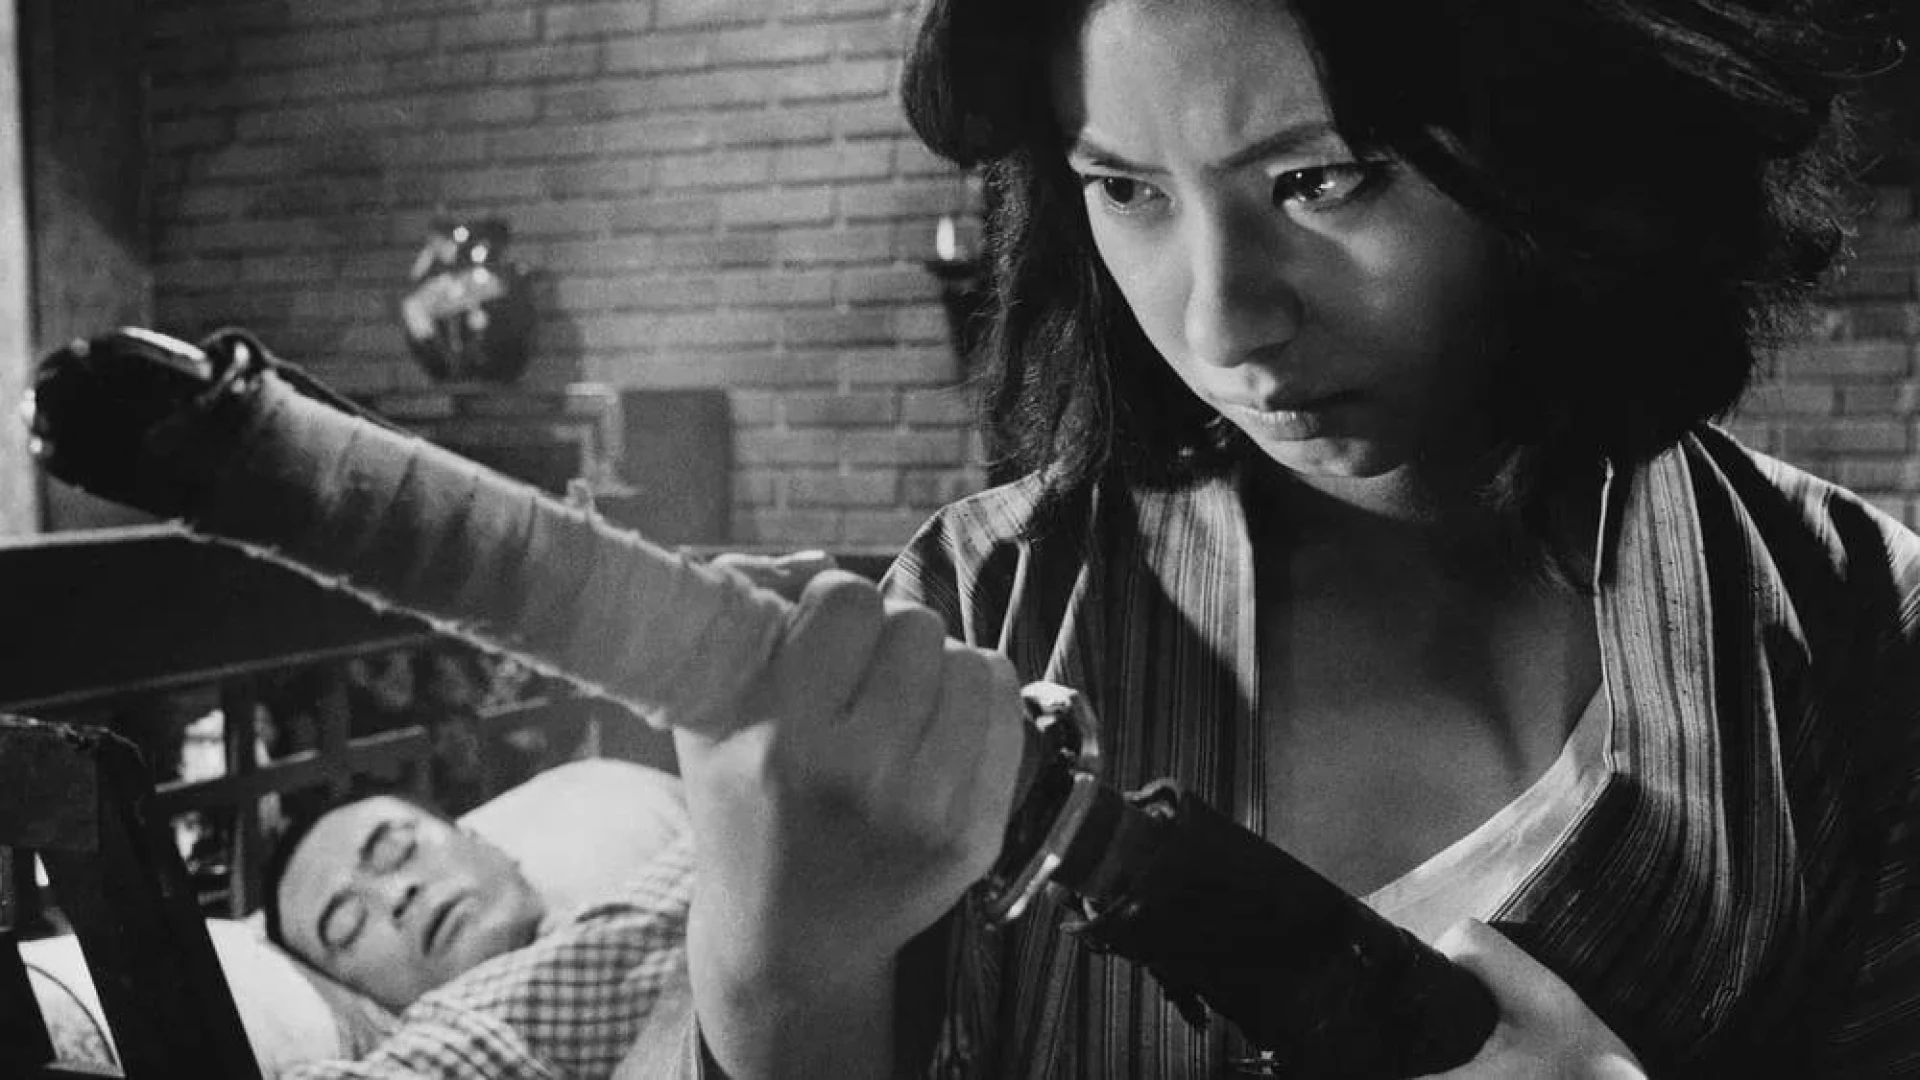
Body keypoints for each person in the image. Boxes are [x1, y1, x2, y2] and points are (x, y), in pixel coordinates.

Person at [665, 0, 1920, 1077]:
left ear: (1561, 141)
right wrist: (772, 977)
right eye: (1127, 190)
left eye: (1321, 179)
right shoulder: (984, 599)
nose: (1222, 324)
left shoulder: (1857, 625)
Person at [262, 788, 695, 1079]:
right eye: (348, 923)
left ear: (482, 842)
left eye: (396, 850)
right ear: (366, 1002)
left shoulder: (692, 875)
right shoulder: (442, 1044)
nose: (396, 896)